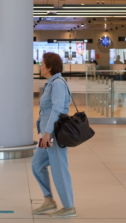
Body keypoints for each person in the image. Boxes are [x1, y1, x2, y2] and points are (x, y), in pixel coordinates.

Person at [31, 52, 76, 218]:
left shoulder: (57, 84)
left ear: (49, 67)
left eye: (42, 64)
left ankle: (69, 207)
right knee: (37, 165)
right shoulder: (51, 83)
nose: (40, 67)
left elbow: (57, 109)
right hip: (47, 134)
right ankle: (49, 199)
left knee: (59, 168)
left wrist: (47, 133)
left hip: (53, 135)